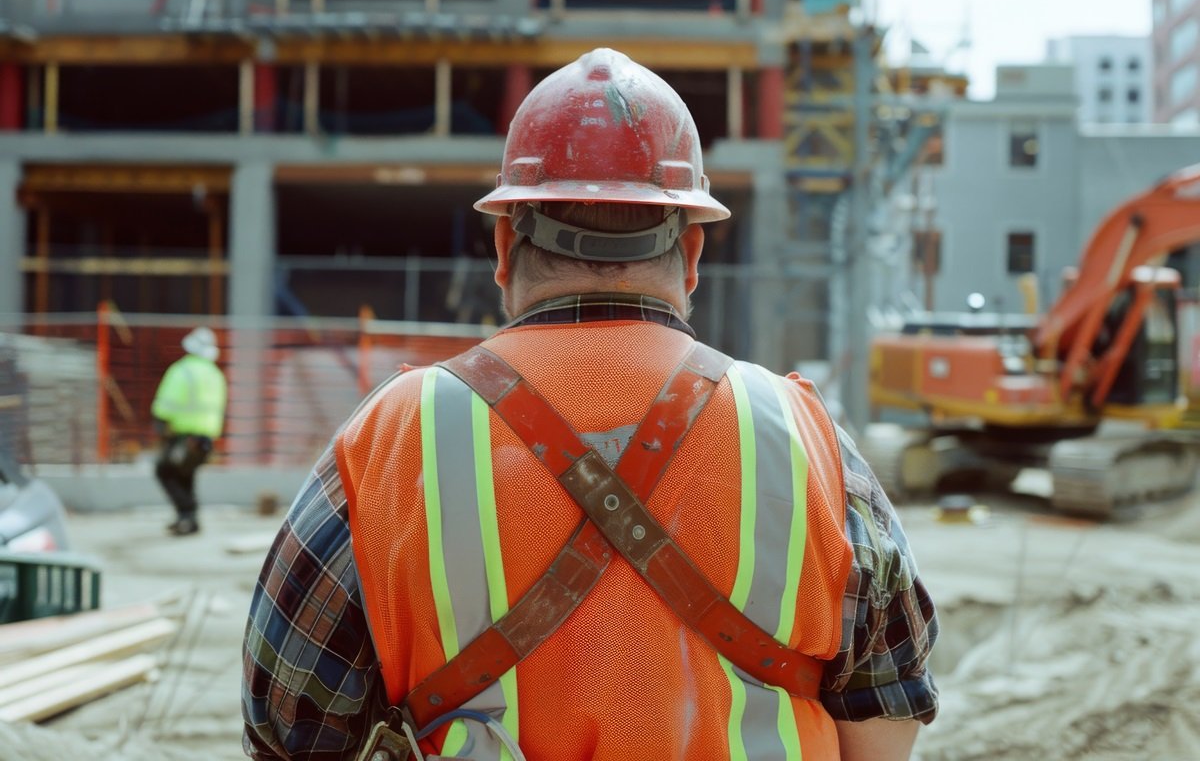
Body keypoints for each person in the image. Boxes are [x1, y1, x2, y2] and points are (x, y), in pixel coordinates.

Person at [241, 48, 938, 761]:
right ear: (692, 251)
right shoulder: (806, 436)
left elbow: (289, 715)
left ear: (505, 245)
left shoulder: (390, 438)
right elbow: (887, 702)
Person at [151, 325, 227, 536]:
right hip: (205, 439)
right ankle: (189, 519)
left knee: (165, 471)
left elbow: (166, 402)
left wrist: (160, 423)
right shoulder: (215, 374)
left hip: (184, 436)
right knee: (186, 475)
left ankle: (187, 515)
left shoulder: (182, 370)